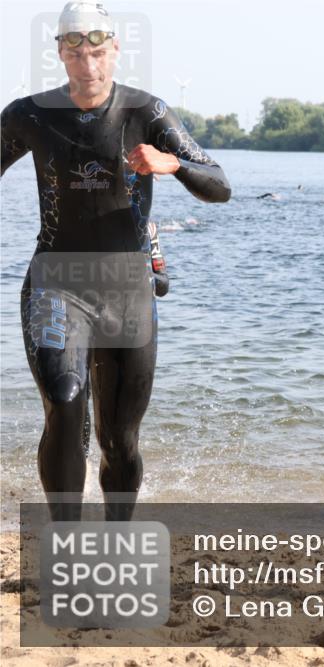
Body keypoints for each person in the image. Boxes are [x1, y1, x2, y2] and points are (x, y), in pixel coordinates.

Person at [0, 2, 230, 520]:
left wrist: (173, 164)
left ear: (116, 51)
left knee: (119, 438)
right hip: (56, 280)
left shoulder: (145, 112)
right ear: (60, 52)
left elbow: (219, 185)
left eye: (99, 52)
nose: (89, 64)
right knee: (64, 398)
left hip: (127, 287)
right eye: (76, 51)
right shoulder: (28, 115)